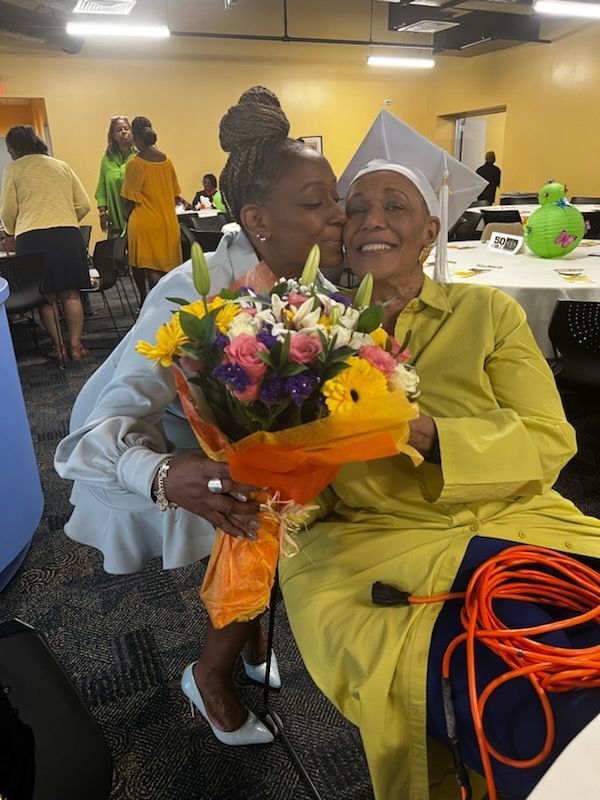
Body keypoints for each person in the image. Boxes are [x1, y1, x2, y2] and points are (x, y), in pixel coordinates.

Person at [278, 159, 600, 800]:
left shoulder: (488, 312)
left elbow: (549, 437)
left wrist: (427, 433)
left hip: (518, 520)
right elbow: (294, 491)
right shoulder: (300, 334)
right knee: (520, 691)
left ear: (430, 230)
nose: (372, 219)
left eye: (394, 206)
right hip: (378, 542)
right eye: (358, 207)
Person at [55, 86, 345, 747]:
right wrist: (158, 472)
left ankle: (247, 640)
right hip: (169, 449)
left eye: (336, 196)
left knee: (266, 533)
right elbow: (90, 435)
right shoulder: (194, 291)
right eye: (316, 202)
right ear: (257, 218)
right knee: (252, 529)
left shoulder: (311, 282)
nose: (339, 214)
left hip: (256, 459)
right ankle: (208, 678)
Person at [0, 125, 91, 362]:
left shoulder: (14, 169)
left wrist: (12, 230)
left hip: (32, 237)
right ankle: (76, 346)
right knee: (71, 293)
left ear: (13, 148)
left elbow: (8, 211)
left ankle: (59, 347)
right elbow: (84, 205)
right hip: (67, 235)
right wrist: (65, 219)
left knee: (46, 296)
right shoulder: (61, 165)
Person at [122, 116, 183, 304]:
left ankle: (145, 301)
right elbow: (175, 195)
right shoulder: (167, 161)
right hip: (167, 221)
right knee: (166, 270)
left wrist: (127, 219)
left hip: (144, 221)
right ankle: (167, 306)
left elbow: (128, 198)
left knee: (144, 267)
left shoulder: (135, 163)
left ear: (135, 136)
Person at [95, 116, 137, 238]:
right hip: (115, 219)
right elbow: (101, 188)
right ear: (113, 136)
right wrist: (102, 212)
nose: (124, 132)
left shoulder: (138, 156)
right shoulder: (107, 159)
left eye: (126, 128)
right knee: (117, 253)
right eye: (119, 130)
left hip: (136, 215)